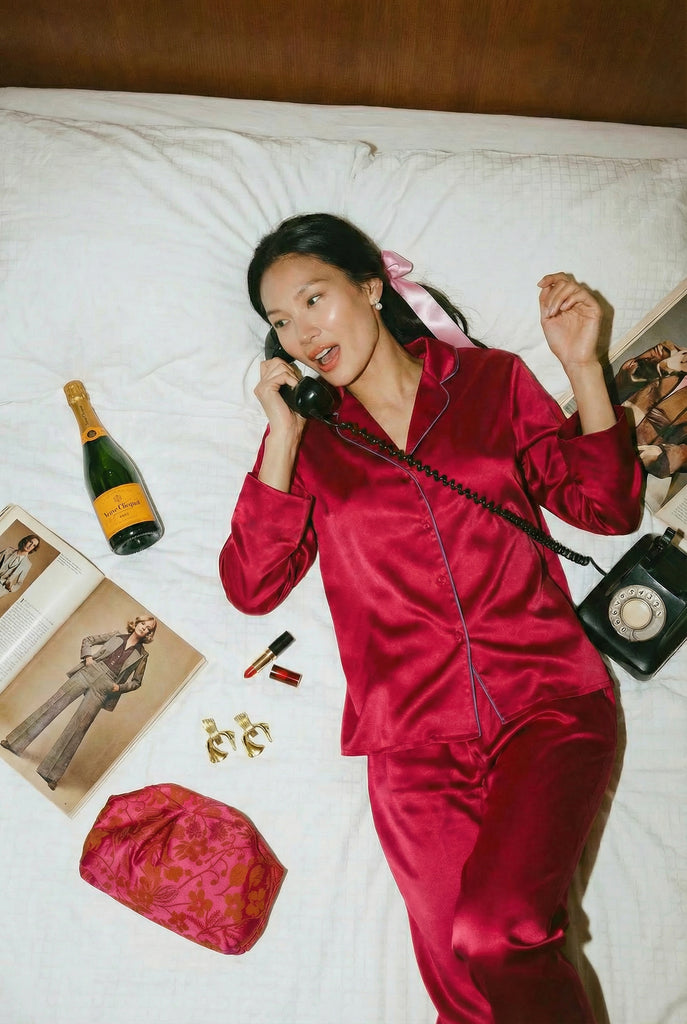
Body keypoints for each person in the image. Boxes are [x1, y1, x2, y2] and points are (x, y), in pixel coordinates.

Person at [219, 213, 642, 1024]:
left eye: (313, 299)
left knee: (495, 935)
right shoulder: (309, 445)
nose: (302, 332)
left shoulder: (491, 382)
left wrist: (582, 366)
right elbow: (251, 584)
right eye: (280, 321)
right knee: (465, 996)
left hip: (547, 703)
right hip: (412, 748)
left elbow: (606, 505)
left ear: (370, 288)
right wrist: (281, 435)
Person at [1, 614, 156, 790]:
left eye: (148, 628)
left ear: (148, 634)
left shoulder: (142, 656)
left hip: (106, 686)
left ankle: (50, 773)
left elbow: (136, 682)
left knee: (79, 726)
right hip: (88, 672)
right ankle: (14, 742)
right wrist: (88, 657)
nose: (144, 628)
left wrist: (118, 687)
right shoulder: (116, 635)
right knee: (52, 705)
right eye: (143, 623)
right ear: (136, 623)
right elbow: (88, 640)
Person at [614, 340, 687, 477]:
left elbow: (678, 459)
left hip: (635, 458)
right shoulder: (667, 352)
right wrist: (666, 366)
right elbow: (624, 380)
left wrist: (658, 457)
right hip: (613, 426)